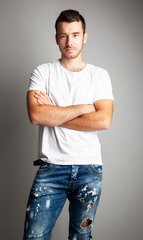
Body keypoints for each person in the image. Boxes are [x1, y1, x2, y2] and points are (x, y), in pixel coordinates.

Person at [23, 9, 114, 240]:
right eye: (63, 35)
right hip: (51, 167)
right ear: (56, 38)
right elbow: (36, 116)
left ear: (84, 36)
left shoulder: (99, 76)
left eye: (75, 35)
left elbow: (103, 120)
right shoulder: (42, 72)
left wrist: (54, 112)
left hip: (89, 169)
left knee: (81, 236)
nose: (69, 41)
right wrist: (85, 108)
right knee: (34, 236)